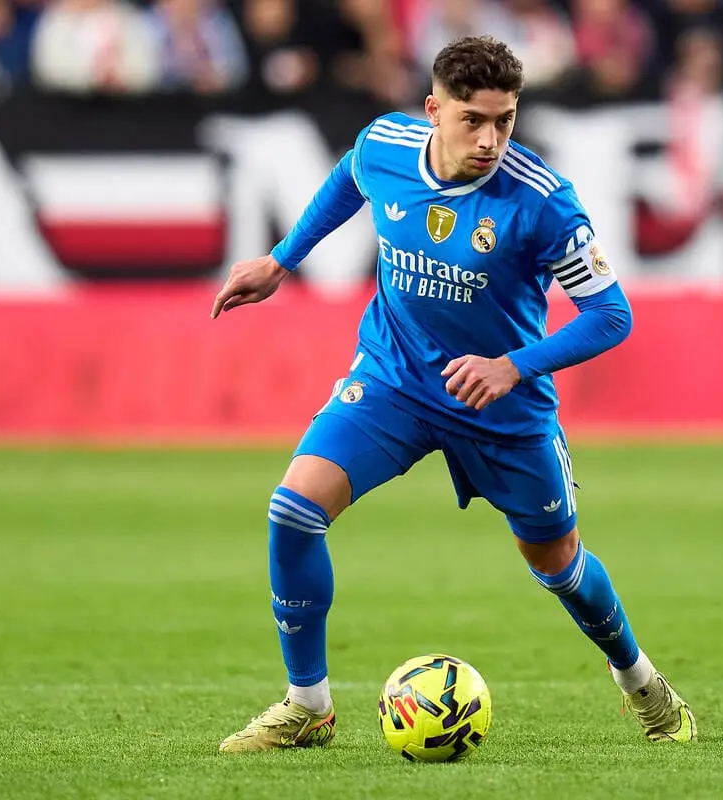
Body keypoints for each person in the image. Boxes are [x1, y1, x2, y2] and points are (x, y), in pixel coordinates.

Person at [210, 34, 696, 752]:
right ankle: (307, 705)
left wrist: (513, 366)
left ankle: (641, 682)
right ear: (433, 109)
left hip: (505, 409)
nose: (492, 138)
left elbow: (611, 314)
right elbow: (351, 175)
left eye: (506, 119)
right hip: (396, 382)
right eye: (474, 119)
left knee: (559, 567)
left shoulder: (543, 203)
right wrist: (283, 259)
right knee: (293, 510)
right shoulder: (386, 146)